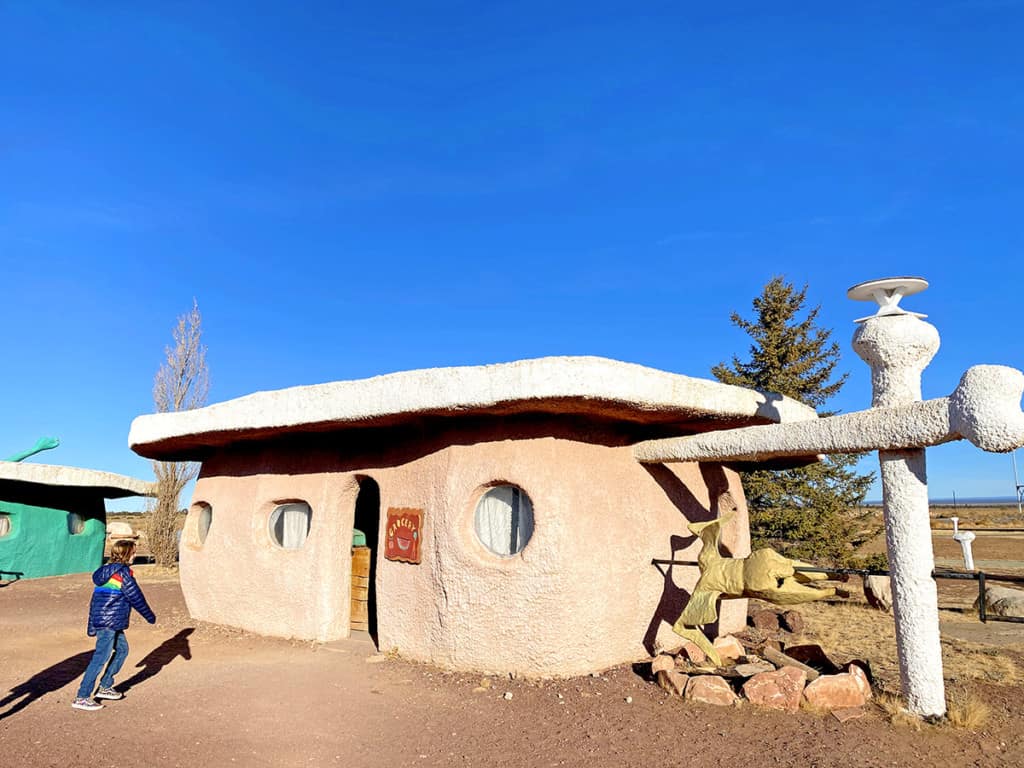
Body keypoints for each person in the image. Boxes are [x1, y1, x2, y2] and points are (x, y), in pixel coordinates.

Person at [72, 539, 156, 711]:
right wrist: (150, 616)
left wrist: (92, 625)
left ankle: (105, 686)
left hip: (109, 621)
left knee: (123, 650)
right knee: (100, 658)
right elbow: (136, 597)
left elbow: (95, 602)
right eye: (133, 552)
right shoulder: (123, 573)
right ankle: (82, 697)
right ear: (126, 554)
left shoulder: (104, 573)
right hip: (109, 623)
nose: (134, 555)